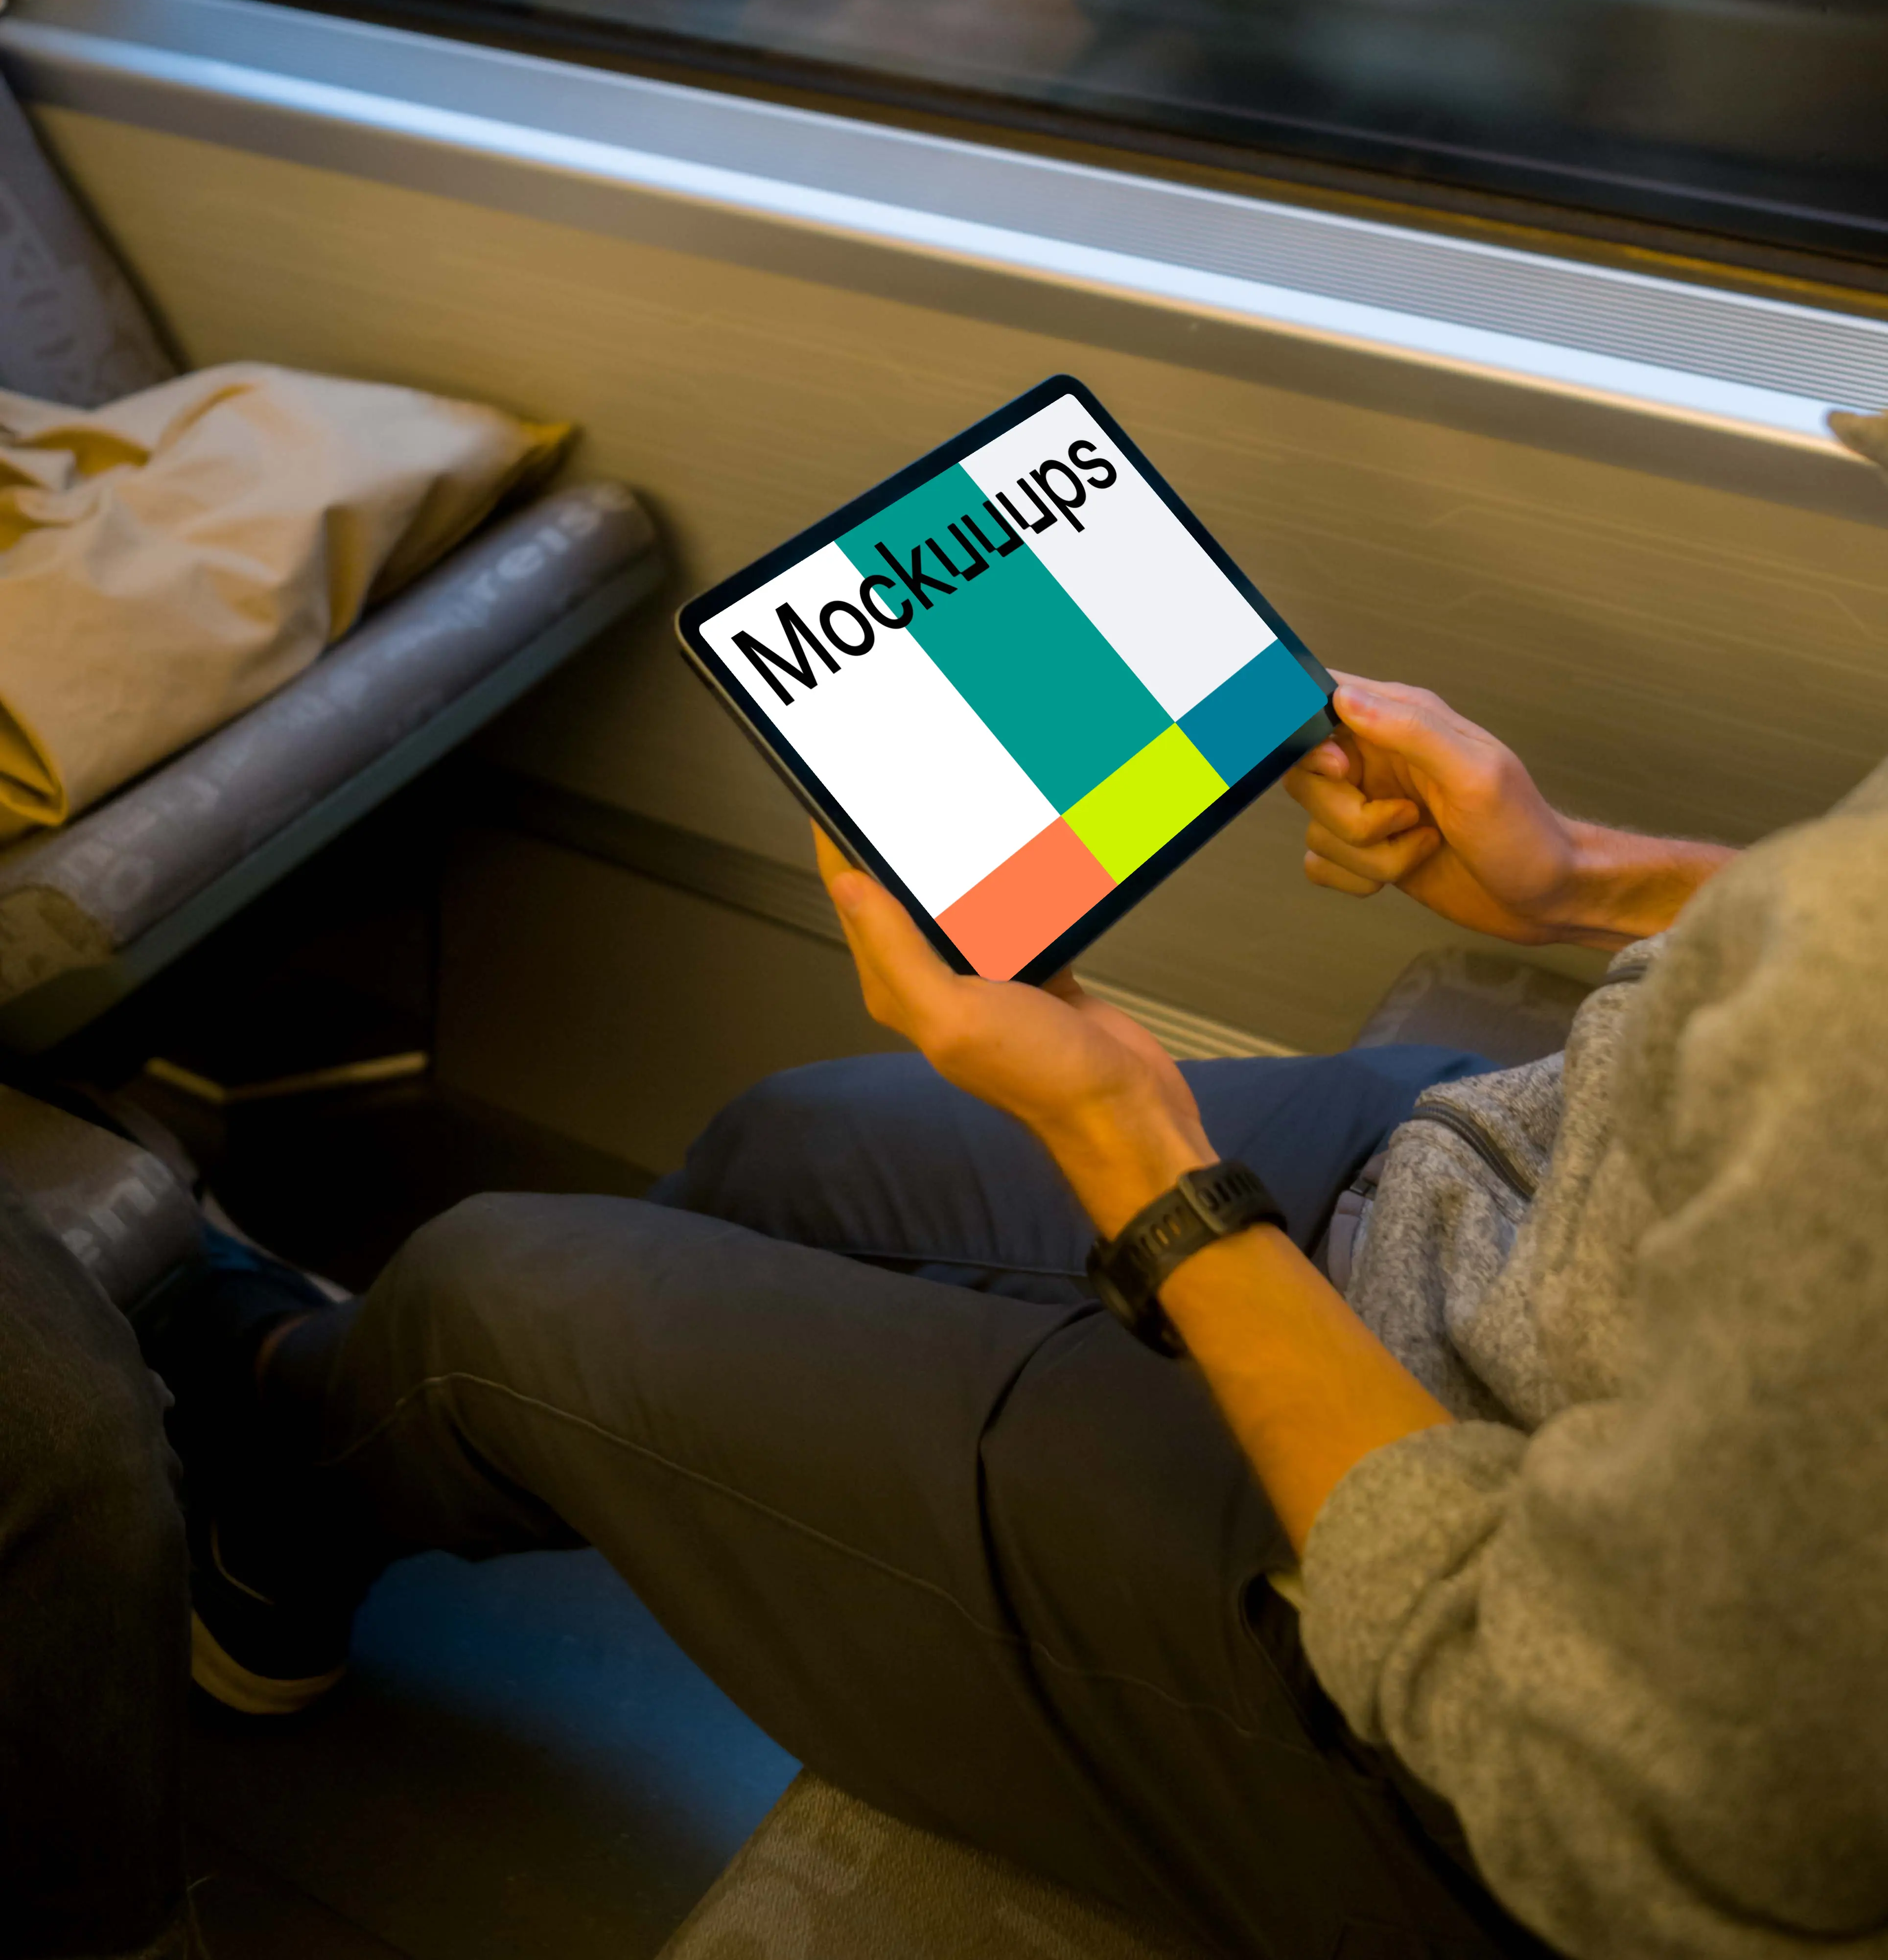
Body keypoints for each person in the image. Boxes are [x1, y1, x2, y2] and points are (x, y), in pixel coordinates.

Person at [8, 616, 1880, 1958]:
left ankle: (265, 1508)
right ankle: (337, 1462)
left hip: (1469, 1676)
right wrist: (1599, 884)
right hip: (1523, 1200)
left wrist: (1141, 1163)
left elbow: (1622, 1787)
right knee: (798, 1140)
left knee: (499, 1299)